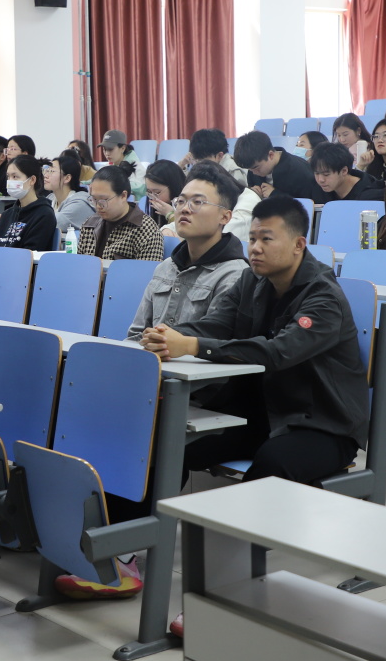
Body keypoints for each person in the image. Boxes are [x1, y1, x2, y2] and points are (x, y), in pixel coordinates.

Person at [143, 194, 367, 484]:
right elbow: (216, 324)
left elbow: (278, 352)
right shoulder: (251, 279)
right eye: (251, 239)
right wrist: (167, 336)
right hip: (260, 415)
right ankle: (141, 514)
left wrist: (192, 346)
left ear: (298, 244)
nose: (255, 248)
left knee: (274, 463)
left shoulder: (323, 297)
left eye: (266, 239)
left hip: (320, 423)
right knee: (169, 445)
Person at [126, 163, 248, 342]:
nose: (184, 209)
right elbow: (136, 335)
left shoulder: (234, 276)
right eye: (181, 201)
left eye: (198, 202)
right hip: (150, 358)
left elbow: (215, 343)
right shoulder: (165, 268)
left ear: (225, 217)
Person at [76, 166, 164, 261]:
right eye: (94, 199)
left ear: (123, 196)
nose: (98, 206)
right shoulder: (89, 225)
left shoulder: (146, 230)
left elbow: (147, 270)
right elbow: (80, 265)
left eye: (103, 199)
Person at [0, 156, 57, 251]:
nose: (10, 181)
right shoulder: (7, 215)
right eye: (8, 176)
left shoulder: (44, 215)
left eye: (15, 177)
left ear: (32, 180)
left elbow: (31, 252)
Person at [233, 130, 324, 202]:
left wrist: (275, 194)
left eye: (256, 168)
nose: (254, 173)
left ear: (271, 155)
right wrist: (252, 192)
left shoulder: (300, 171)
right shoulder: (253, 167)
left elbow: (310, 206)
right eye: (249, 169)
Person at [310, 143, 385, 202]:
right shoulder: (317, 190)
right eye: (317, 173)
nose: (321, 180)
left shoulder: (371, 194)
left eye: (326, 174)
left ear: (344, 171)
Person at [45, 153, 95, 235]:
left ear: (67, 178)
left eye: (52, 171)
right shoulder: (50, 198)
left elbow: (49, 222)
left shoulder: (80, 203)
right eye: (47, 170)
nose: (46, 175)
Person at [98, 130, 148, 200]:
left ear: (122, 148)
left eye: (110, 149)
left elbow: (139, 192)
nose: (107, 153)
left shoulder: (137, 169)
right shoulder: (106, 167)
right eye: (104, 149)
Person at [143, 159, 187, 230]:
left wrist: (170, 214)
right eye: (149, 192)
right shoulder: (156, 211)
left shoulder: (189, 206)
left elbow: (186, 232)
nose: (153, 197)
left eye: (157, 192)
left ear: (173, 187)